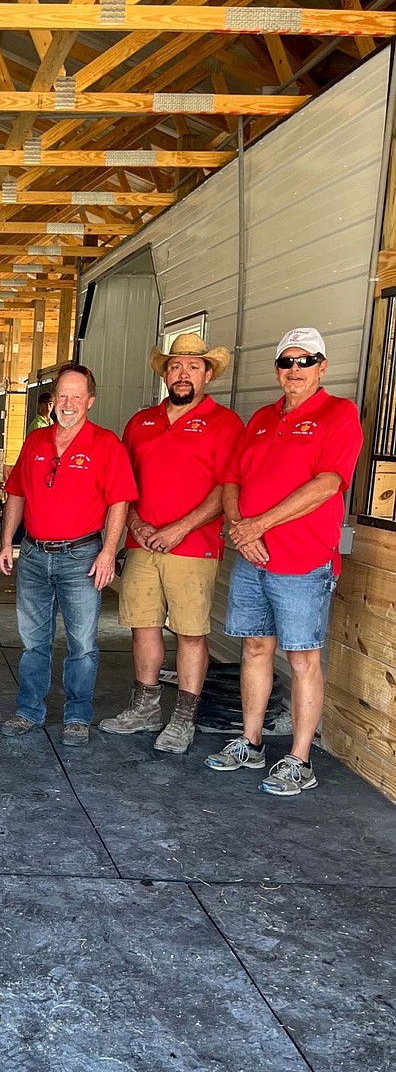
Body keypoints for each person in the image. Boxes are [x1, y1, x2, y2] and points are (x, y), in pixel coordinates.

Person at [204, 327, 363, 795]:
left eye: (305, 360)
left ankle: (299, 759)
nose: (295, 369)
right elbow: (231, 479)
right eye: (287, 362)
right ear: (277, 369)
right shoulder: (260, 418)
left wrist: (259, 525)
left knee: (302, 658)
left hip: (302, 560)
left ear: (322, 367)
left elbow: (329, 483)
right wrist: (240, 527)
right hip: (253, 557)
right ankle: (250, 743)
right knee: (255, 649)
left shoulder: (339, 413)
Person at [99, 334, 243, 753]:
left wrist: (179, 528)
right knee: (143, 627)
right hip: (142, 544)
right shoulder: (141, 422)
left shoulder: (225, 423)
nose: (183, 374)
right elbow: (123, 483)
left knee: (190, 632)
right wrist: (138, 524)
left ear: (208, 374)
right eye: (176, 366)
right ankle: (144, 708)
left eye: (193, 367)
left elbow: (225, 487)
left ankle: (183, 718)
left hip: (192, 547)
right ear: (165, 373)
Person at [0, 362, 137, 748]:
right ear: (52, 402)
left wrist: (108, 552)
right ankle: (29, 709)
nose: (68, 403)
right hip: (35, 554)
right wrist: (7, 541)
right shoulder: (36, 442)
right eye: (62, 395)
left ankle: (77, 714)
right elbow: (17, 494)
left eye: (77, 396)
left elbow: (119, 502)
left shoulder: (106, 444)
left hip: (81, 556)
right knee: (33, 640)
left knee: (83, 643)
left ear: (89, 401)